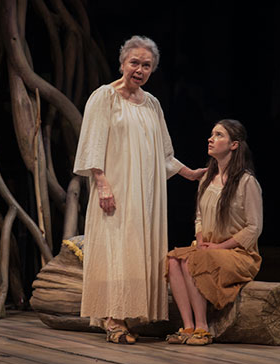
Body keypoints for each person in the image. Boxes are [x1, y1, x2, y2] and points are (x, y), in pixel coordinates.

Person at [73, 35, 206, 344]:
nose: (140, 69)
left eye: (147, 65)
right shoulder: (104, 97)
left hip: (145, 193)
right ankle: (113, 319)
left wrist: (189, 173)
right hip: (115, 187)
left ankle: (125, 315)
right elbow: (92, 144)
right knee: (115, 247)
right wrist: (102, 183)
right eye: (135, 62)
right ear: (122, 63)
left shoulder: (152, 104)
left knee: (136, 249)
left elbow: (164, 154)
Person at [166, 119, 263, 346]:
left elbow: (254, 227)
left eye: (219, 135)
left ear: (234, 145)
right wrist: (200, 240)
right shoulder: (207, 178)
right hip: (208, 249)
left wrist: (219, 247)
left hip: (239, 254)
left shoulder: (246, 182)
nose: (211, 139)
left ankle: (203, 327)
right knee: (172, 260)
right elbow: (199, 217)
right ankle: (188, 325)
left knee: (193, 261)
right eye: (212, 134)